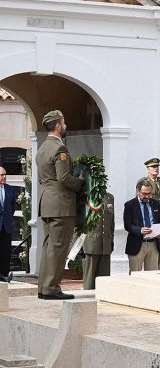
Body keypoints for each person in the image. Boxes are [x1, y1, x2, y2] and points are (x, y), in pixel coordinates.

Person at [36, 110, 84, 300]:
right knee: (58, 248)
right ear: (58, 125)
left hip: (48, 202)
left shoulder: (42, 148)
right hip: (61, 205)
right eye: (63, 123)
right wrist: (79, 181)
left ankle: (43, 286)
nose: (65, 126)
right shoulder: (60, 149)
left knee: (49, 247)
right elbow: (63, 177)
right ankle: (51, 288)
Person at [123, 180, 160, 273]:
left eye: (149, 193)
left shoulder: (156, 203)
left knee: (153, 274)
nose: (147, 196)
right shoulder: (130, 205)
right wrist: (140, 230)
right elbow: (127, 225)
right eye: (144, 193)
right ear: (137, 191)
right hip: (137, 244)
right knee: (135, 274)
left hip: (153, 244)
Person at [139, 158, 160, 269]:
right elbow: (139, 201)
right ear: (148, 169)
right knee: (148, 246)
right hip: (149, 219)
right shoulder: (143, 182)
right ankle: (148, 269)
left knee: (159, 246)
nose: (156, 169)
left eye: (157, 166)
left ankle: (157, 268)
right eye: (153, 167)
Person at [82, 192, 115, 289]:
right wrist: (78, 243)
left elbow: (111, 219)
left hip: (106, 242)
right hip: (91, 242)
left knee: (104, 278)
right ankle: (88, 299)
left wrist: (111, 239)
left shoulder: (109, 197)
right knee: (89, 279)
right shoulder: (86, 196)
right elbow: (80, 220)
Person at [0, 166, 16, 283]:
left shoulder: (10, 189)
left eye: (5, 174)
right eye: (1, 175)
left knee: (6, 251)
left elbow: (12, 208)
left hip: (6, 226)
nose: (4, 177)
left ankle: (4, 275)